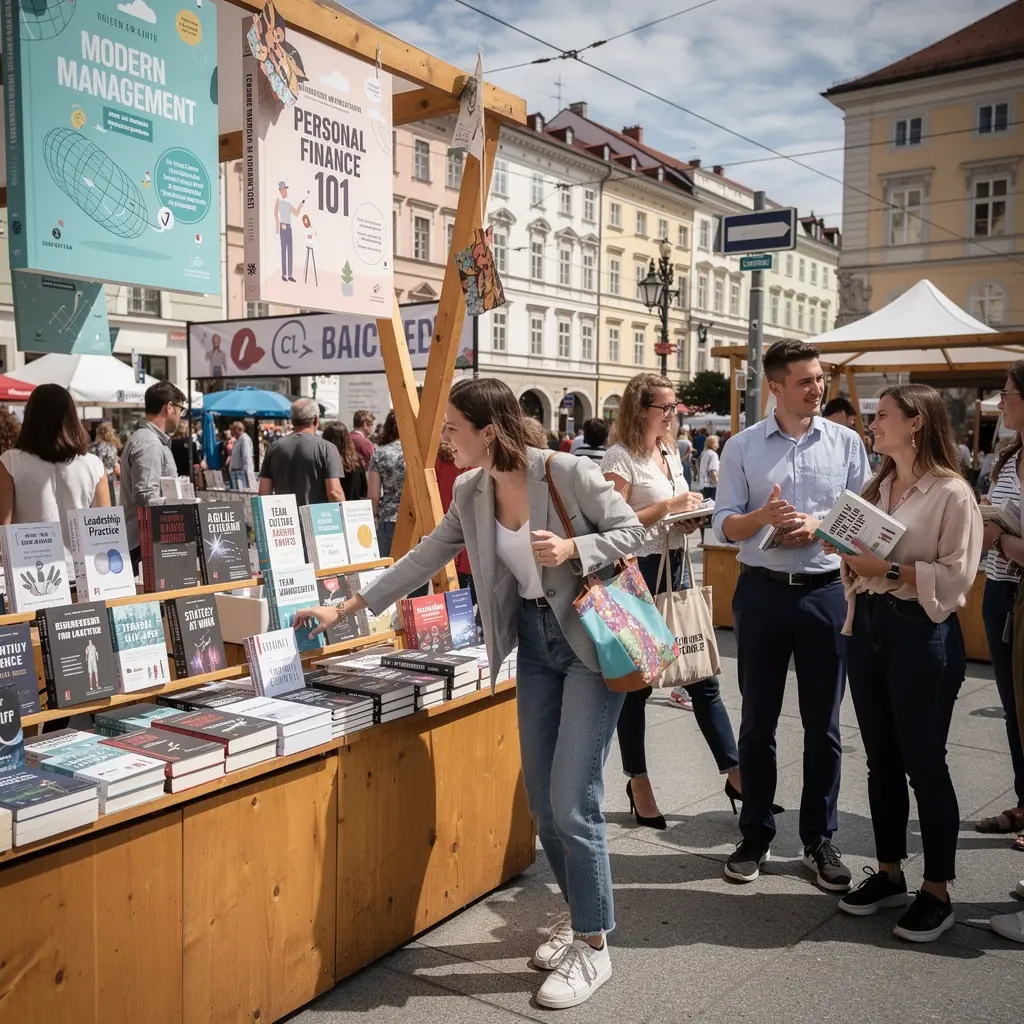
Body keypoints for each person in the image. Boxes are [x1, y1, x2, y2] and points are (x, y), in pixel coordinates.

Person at [296, 377, 646, 1009]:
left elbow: (633, 531)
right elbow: (422, 558)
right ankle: (578, 917)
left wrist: (574, 545)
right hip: (536, 649)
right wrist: (347, 606)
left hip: (591, 643)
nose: (446, 440)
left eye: (453, 428)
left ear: (489, 430)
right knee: (542, 803)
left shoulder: (566, 472)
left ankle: (594, 948)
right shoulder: (470, 490)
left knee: (574, 802)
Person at [713, 339, 870, 889]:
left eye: (820, 378)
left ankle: (818, 839)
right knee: (757, 722)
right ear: (775, 387)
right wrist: (764, 516)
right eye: (805, 380)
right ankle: (755, 833)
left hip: (826, 593)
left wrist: (816, 528)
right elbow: (725, 525)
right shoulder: (742, 447)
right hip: (761, 592)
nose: (817, 387)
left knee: (823, 725)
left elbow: (861, 519)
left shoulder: (848, 443)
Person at [833, 384, 980, 942]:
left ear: (917, 423)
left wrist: (888, 569)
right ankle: (891, 872)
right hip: (867, 624)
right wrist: (847, 555)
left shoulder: (952, 493)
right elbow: (867, 560)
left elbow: (959, 573)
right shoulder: (878, 484)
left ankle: (938, 889)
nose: (873, 424)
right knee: (880, 761)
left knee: (924, 762)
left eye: (883, 416)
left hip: (921, 632)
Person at [602, 373, 746, 825]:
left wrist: (688, 519)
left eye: (674, 408)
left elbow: (669, 513)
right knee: (639, 686)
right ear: (640, 409)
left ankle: (736, 772)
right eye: (664, 408)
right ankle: (638, 781)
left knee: (701, 674)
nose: (672, 415)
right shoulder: (620, 458)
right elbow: (612, 526)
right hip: (636, 575)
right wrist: (668, 509)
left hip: (675, 565)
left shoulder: (667, 452)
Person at [975, 363, 1024, 845]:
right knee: (1013, 708)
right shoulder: (1008, 458)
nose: (1001, 402)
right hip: (1000, 589)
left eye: (1008, 394)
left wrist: (1003, 541)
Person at [0, 383, 109, 569]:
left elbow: (4, 528)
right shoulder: (94, 465)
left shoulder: (10, 463)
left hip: (30, 572)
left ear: (30, 417)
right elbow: (104, 532)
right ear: (72, 417)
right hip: (83, 572)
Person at [120, 381, 187, 574]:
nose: (181, 416)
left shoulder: (150, 440)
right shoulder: (149, 442)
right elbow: (145, 496)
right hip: (146, 545)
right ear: (169, 408)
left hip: (146, 542)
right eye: (181, 410)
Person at [259, 398, 343, 507]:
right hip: (317, 519)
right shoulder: (327, 448)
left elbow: (264, 493)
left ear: (292, 420)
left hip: (285, 519)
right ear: (316, 420)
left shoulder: (273, 448)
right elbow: (334, 492)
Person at [368, 411, 406, 557]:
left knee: (388, 573)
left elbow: (373, 496)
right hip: (416, 517)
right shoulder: (418, 453)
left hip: (389, 518)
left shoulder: (380, 454)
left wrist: (375, 516)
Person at [322, 421, 368, 501]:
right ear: (347, 438)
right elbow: (364, 490)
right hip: (354, 509)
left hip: (329, 508)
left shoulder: (324, 461)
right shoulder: (357, 460)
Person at [89, 420, 121, 504]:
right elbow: (113, 466)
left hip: (92, 480)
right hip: (107, 479)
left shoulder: (91, 447)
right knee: (109, 505)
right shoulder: (111, 447)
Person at [228, 421, 255, 490]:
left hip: (241, 476)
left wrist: (247, 477)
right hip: (236, 474)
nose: (232, 433)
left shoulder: (244, 440)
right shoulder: (238, 440)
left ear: (239, 429)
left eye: (233, 430)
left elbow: (247, 458)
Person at [698, 434, 720, 500]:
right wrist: (718, 484)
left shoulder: (704, 452)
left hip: (703, 485)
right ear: (712, 443)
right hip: (711, 486)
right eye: (717, 442)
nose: (718, 444)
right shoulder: (713, 455)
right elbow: (712, 471)